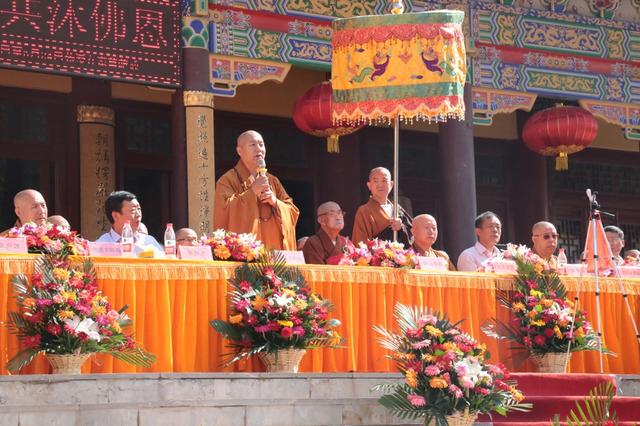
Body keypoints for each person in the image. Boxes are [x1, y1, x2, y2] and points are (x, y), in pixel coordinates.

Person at [214, 130, 299, 250]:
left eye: (261, 144)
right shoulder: (227, 180)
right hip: (245, 253)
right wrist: (252, 192)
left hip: (274, 252)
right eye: (252, 145)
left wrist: (275, 202)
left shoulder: (272, 180)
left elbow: (292, 212)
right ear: (239, 151)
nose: (258, 149)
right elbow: (224, 212)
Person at [351, 167, 412, 246]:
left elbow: (413, 235)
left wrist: (402, 227)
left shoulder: (398, 210)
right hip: (377, 257)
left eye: (384, 180)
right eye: (375, 181)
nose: (380, 184)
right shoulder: (364, 211)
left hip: (400, 256)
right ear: (369, 185)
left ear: (391, 184)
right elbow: (360, 243)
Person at [95, 191, 163, 255]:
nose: (138, 214)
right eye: (133, 210)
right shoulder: (100, 245)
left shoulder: (149, 242)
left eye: (139, 209)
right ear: (115, 216)